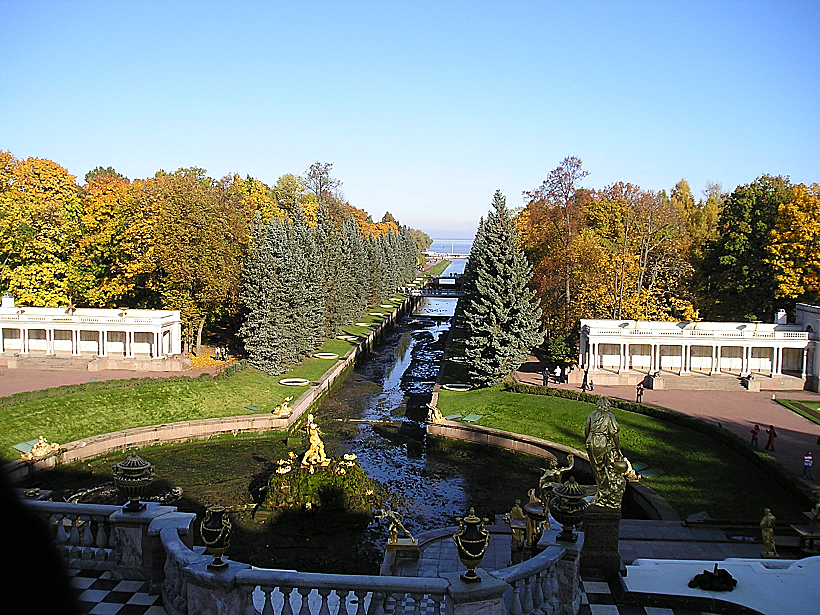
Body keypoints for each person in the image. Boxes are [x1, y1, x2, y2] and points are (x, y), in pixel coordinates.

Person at [585, 397, 627, 509]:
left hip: (591, 442)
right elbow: (614, 434)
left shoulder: (592, 414)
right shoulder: (610, 416)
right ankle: (604, 496)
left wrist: (590, 439)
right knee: (605, 470)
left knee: (597, 470)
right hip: (603, 442)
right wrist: (618, 449)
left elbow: (586, 430)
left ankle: (601, 493)